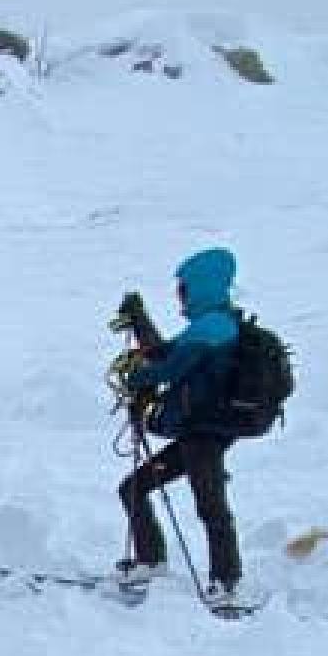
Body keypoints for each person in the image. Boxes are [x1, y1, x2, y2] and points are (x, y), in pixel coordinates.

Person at [113, 248, 247, 598]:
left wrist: (136, 379)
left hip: (204, 433)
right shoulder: (214, 325)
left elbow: (168, 367)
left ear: (200, 286)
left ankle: (226, 580)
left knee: (209, 504)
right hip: (200, 432)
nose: (180, 295)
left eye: (184, 287)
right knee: (136, 488)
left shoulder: (213, 328)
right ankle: (154, 561)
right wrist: (139, 319)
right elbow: (164, 355)